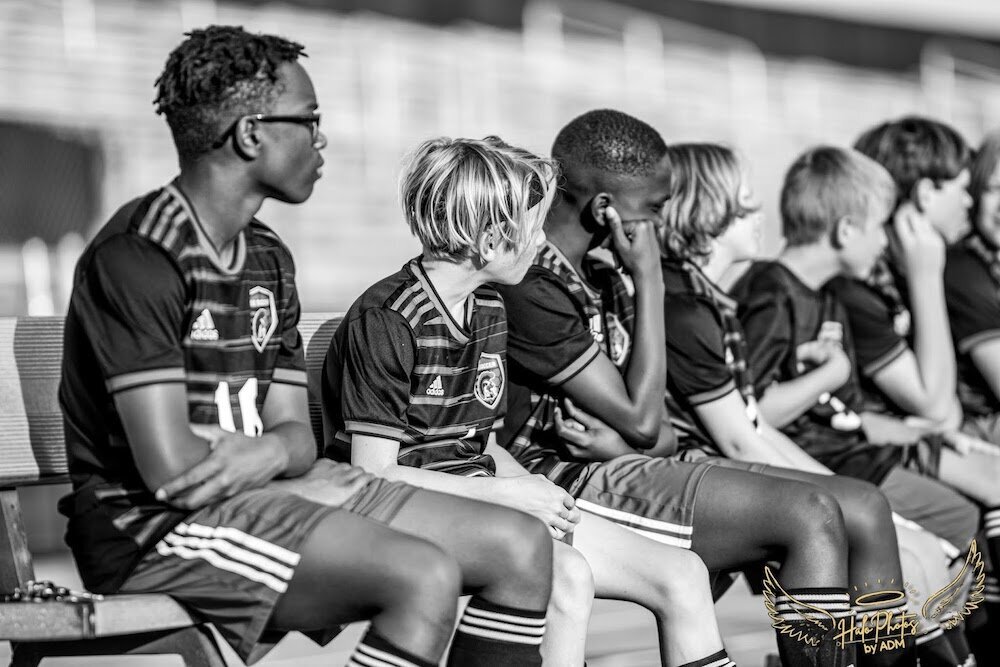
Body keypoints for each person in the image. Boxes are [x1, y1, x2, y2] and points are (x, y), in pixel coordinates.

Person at [58, 26, 553, 667]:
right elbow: (173, 472)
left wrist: (275, 458)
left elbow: (295, 435)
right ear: (249, 134)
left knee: (521, 546)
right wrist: (285, 470)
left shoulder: (267, 255)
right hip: (153, 531)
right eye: (308, 120)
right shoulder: (139, 255)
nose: (321, 139)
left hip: (273, 490)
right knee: (421, 577)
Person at [322, 135, 735, 667]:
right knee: (567, 574)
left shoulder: (488, 306)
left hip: (479, 500)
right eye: (533, 225)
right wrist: (510, 497)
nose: (541, 240)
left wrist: (535, 493)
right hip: (396, 510)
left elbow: (482, 443)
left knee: (683, 574)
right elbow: (375, 475)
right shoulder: (388, 318)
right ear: (492, 241)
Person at [497, 109, 871, 667]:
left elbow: (658, 433)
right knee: (810, 514)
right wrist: (648, 278)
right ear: (606, 209)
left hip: (615, 466)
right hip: (553, 481)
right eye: (654, 207)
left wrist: (629, 439)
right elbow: (645, 421)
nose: (662, 222)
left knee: (839, 507)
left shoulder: (603, 277)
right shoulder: (534, 283)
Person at [730, 145, 980, 666]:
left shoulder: (826, 296)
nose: (885, 239)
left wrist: (910, 431)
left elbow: (842, 410)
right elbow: (752, 413)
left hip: (850, 457)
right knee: (933, 547)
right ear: (846, 229)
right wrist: (831, 371)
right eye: (880, 225)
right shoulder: (771, 294)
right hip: (816, 470)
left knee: (947, 539)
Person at [833, 117, 1000, 662]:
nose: (970, 207)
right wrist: (928, 276)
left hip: (900, 439)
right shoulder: (863, 285)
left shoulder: (894, 272)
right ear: (927, 192)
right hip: (861, 451)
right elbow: (936, 405)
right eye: (962, 191)